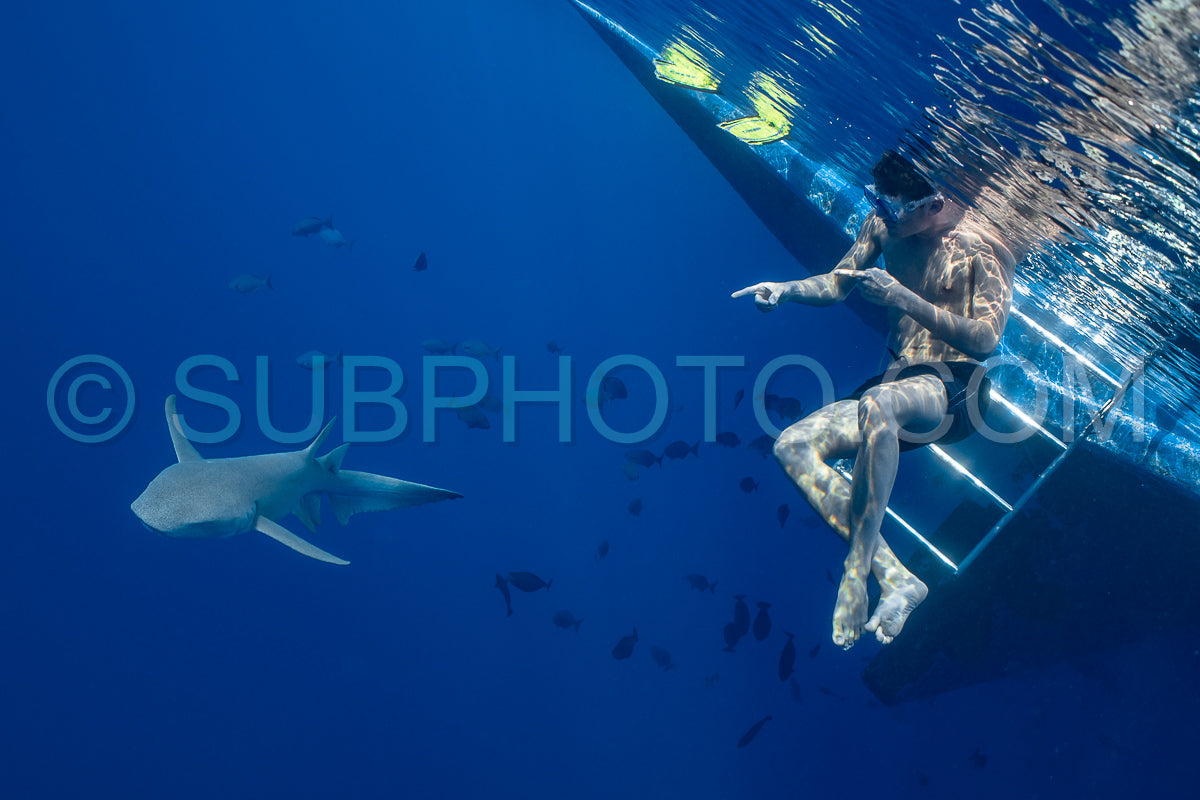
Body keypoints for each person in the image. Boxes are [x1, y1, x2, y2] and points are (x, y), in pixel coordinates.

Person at [732, 151, 1016, 648]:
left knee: (879, 404)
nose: (880, 216)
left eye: (892, 209)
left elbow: (986, 340)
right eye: (877, 204)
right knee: (792, 445)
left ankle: (856, 569)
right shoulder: (883, 227)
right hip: (899, 380)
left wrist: (902, 297)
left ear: (932, 205)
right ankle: (898, 578)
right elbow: (836, 283)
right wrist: (786, 289)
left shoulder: (981, 250)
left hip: (959, 387)